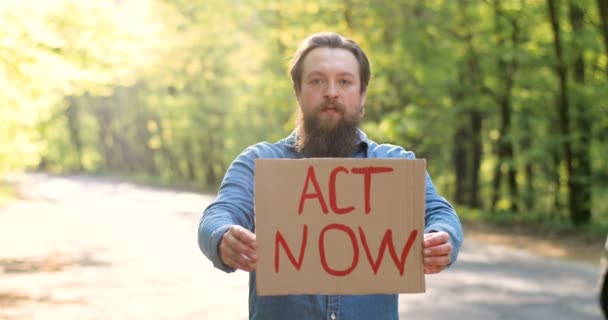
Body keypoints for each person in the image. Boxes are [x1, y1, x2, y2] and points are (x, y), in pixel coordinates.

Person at [198, 31, 463, 320]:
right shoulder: (259, 162)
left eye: (345, 81)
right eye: (317, 81)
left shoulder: (396, 164)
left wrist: (441, 237)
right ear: (298, 92)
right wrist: (223, 238)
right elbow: (219, 214)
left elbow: (440, 212)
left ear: (362, 95)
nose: (331, 92)